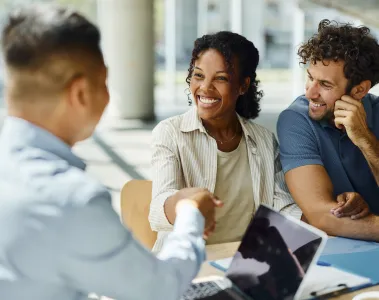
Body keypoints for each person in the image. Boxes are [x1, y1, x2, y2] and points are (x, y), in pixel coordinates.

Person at [0, 5, 223, 300]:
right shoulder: (70, 199)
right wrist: (190, 214)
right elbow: (160, 289)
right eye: (105, 82)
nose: (108, 95)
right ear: (80, 93)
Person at [149, 31, 301, 251]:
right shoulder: (170, 133)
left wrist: (330, 217)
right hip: (187, 265)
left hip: (247, 265)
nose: (205, 88)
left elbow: (282, 208)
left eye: (220, 78)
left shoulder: (265, 141)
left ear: (243, 85)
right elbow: (157, 210)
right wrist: (184, 202)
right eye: (198, 75)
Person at [277, 19, 379, 240]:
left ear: (360, 90)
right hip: (338, 253)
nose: (310, 93)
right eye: (310, 78)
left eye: (325, 85)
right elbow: (321, 216)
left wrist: (365, 139)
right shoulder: (296, 120)